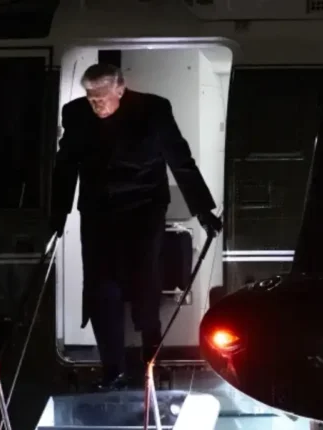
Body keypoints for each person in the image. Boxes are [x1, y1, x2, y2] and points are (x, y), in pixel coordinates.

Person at [50, 63, 223, 391]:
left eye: (101, 97)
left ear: (120, 88)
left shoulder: (153, 110)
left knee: (146, 283)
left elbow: (180, 159)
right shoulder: (76, 114)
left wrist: (203, 210)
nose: (96, 104)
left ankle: (149, 362)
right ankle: (112, 369)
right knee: (101, 289)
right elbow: (65, 167)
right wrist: (56, 216)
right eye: (90, 97)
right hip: (99, 213)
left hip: (144, 209)